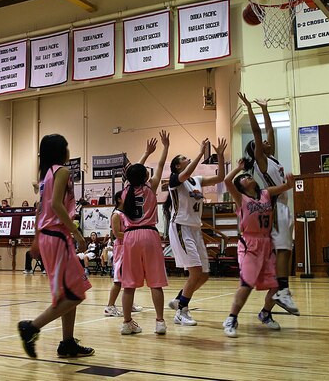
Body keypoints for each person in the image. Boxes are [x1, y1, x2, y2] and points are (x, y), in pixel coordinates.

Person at [18, 134, 94, 359]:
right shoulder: (61, 171)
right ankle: (31, 327)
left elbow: (40, 209)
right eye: (67, 146)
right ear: (61, 151)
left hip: (49, 236)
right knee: (75, 294)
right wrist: (77, 232)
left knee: (69, 292)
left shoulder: (45, 176)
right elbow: (55, 205)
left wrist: (36, 238)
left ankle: (68, 343)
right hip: (58, 236)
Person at [239, 92, 299, 316]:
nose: (266, 141)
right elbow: (258, 131)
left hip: (284, 206)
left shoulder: (272, 157)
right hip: (275, 208)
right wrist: (249, 108)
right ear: (257, 150)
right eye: (262, 143)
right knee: (283, 251)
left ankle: (267, 310)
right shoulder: (261, 162)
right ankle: (283, 290)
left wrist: (265, 108)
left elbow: (270, 131)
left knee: (286, 252)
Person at [222, 159, 295, 337]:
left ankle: (265, 313)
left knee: (277, 285)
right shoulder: (241, 198)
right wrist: (238, 169)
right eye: (244, 178)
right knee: (247, 284)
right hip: (250, 243)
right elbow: (226, 181)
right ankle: (231, 318)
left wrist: (290, 183)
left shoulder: (266, 193)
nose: (247, 177)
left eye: (248, 175)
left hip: (266, 243)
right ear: (241, 186)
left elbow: (285, 188)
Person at [164, 137, 227, 326]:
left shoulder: (197, 180)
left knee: (204, 274)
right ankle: (182, 312)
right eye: (183, 158)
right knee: (196, 270)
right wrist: (200, 153)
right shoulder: (175, 181)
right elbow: (185, 174)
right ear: (176, 166)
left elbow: (220, 178)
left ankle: (179, 299)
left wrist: (221, 156)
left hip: (195, 228)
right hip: (181, 227)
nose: (187, 158)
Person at [119, 131, 170, 336]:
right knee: (156, 281)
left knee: (129, 283)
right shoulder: (151, 188)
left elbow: (131, 173)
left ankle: (126, 322)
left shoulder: (125, 191)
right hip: (149, 234)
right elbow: (160, 166)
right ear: (146, 177)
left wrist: (145, 153)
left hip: (130, 236)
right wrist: (164, 147)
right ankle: (159, 322)